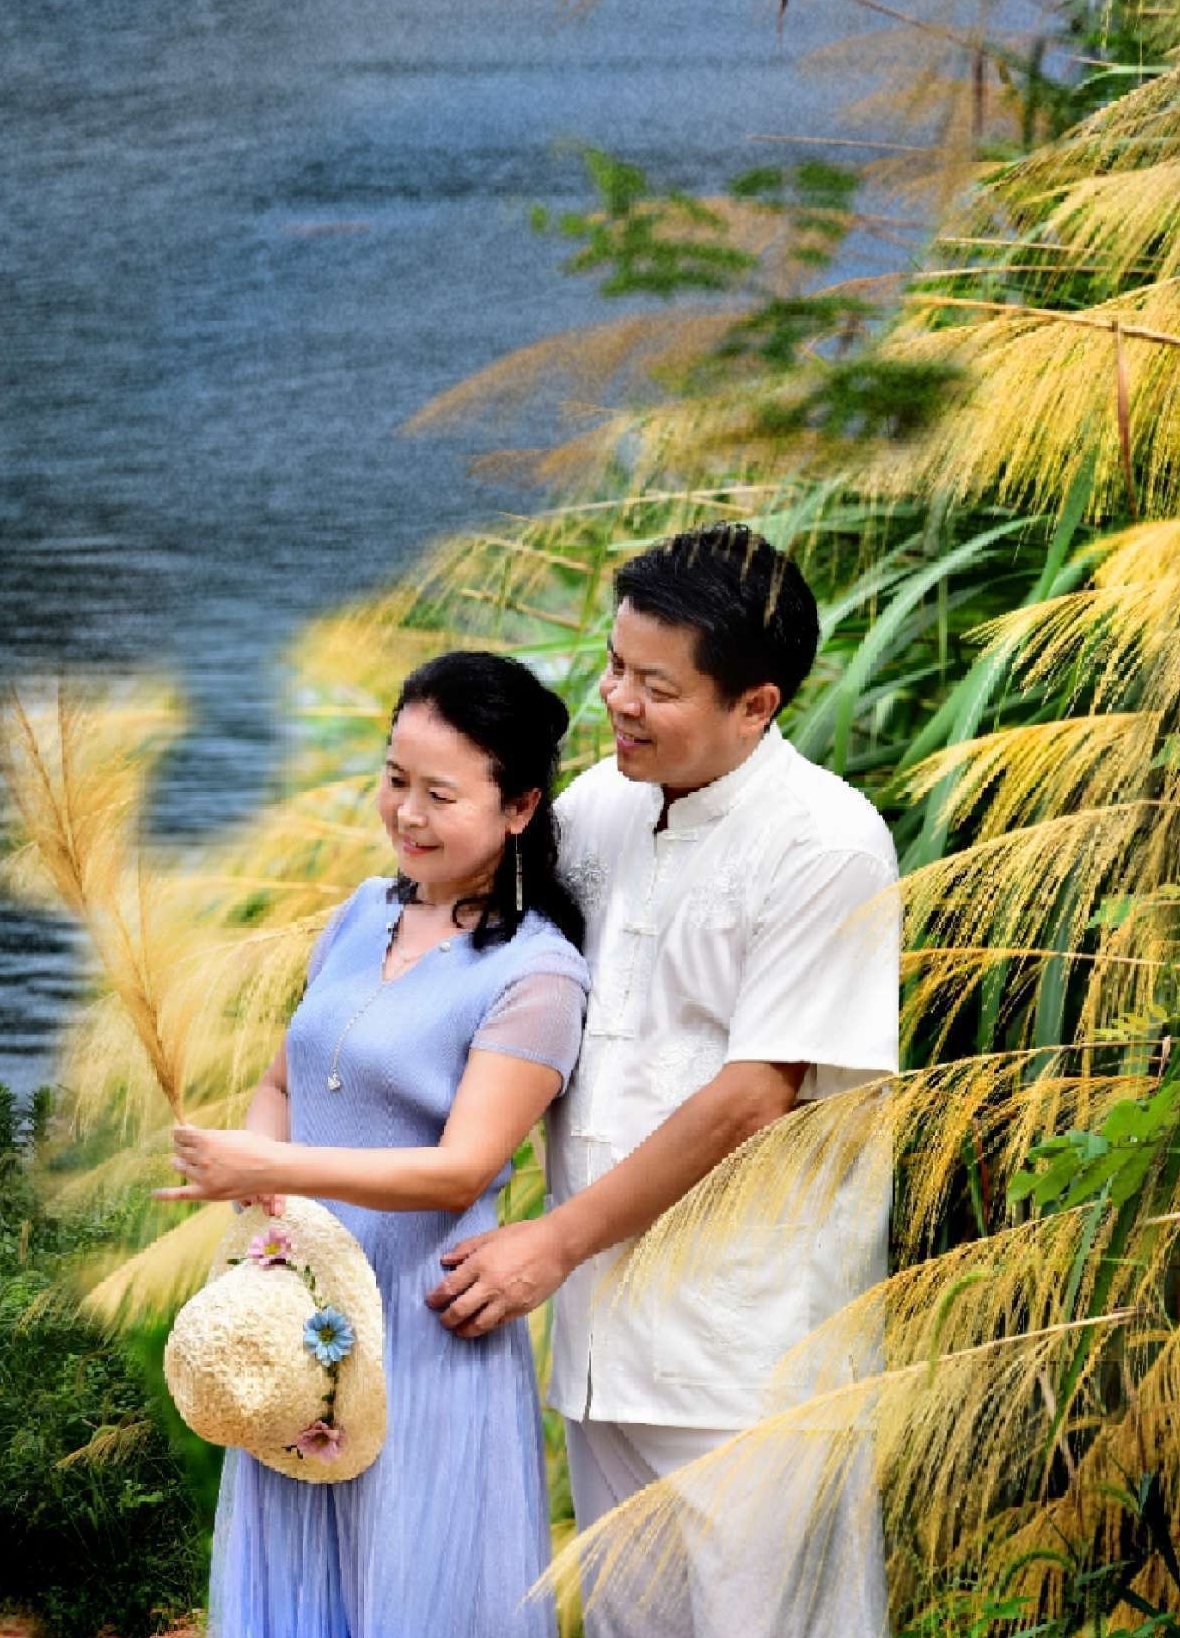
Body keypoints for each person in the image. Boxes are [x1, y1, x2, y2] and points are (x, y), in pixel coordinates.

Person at [428, 524, 900, 1638]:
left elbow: (753, 1094)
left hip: (749, 1345)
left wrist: (549, 1241)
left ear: (755, 702)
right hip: (601, 1343)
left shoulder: (826, 840)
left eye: (655, 684)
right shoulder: (595, 808)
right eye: (612, 665)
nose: (616, 700)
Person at [159, 649, 591, 1638]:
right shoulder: (361, 912)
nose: (405, 812)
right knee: (299, 1578)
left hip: (422, 1319)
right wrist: (261, 1207)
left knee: (415, 1591)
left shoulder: (537, 973)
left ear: (518, 806)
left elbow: (461, 1168)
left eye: (439, 792)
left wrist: (270, 1166)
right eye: (394, 778)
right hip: (301, 1311)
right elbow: (284, 1080)